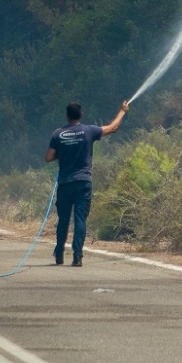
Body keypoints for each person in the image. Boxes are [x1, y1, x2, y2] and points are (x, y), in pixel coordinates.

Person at [44, 100, 129, 267]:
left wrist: (61, 154)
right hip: (83, 182)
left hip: (65, 183)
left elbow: (48, 158)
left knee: (63, 220)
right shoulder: (88, 130)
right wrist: (122, 111)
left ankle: (59, 253)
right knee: (80, 219)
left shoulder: (58, 134)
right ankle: (77, 255)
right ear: (80, 115)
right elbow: (112, 128)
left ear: (67, 116)